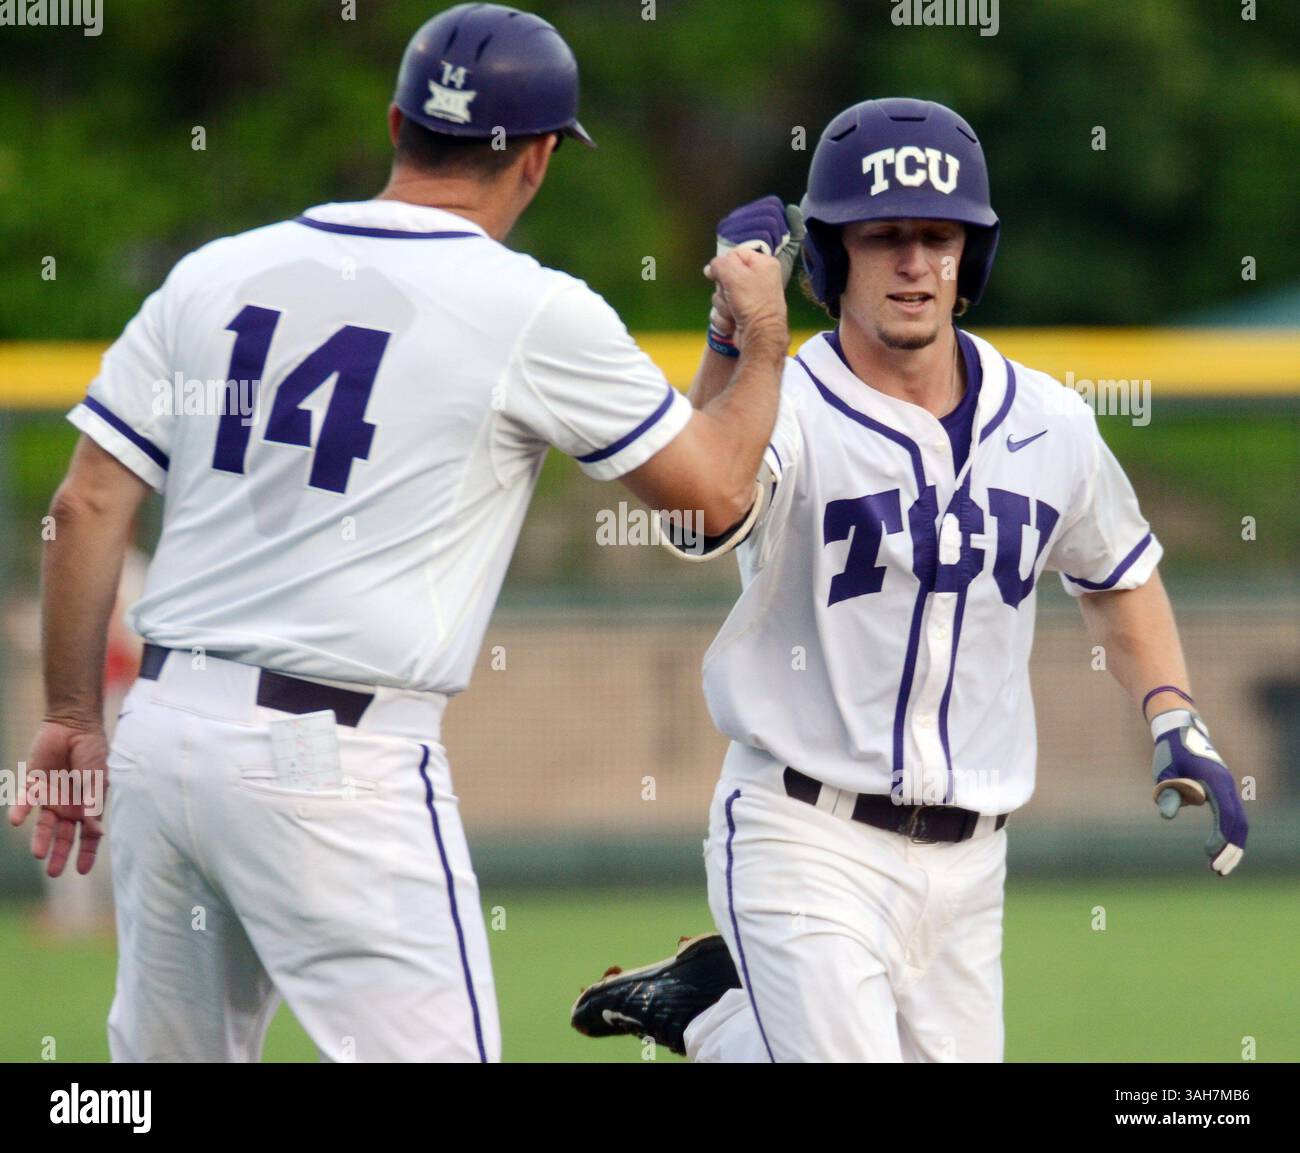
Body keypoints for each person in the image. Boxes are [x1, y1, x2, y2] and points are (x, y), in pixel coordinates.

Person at [8, 3, 789, 1063]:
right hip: (334, 760)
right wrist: (764, 339)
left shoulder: (213, 271)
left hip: (161, 731)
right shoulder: (531, 307)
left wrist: (68, 713)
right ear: (541, 159)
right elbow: (714, 501)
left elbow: (82, 506)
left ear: (395, 124)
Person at [571, 97, 1249, 1062]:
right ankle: (732, 1019)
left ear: (972, 255)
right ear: (831, 257)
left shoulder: (1050, 421)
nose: (915, 262)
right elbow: (700, 518)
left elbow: (1118, 573)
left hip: (973, 860)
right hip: (802, 830)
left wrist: (1175, 712)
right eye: (882, 236)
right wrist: (733, 341)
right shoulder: (790, 401)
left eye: (939, 236)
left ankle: (719, 1015)